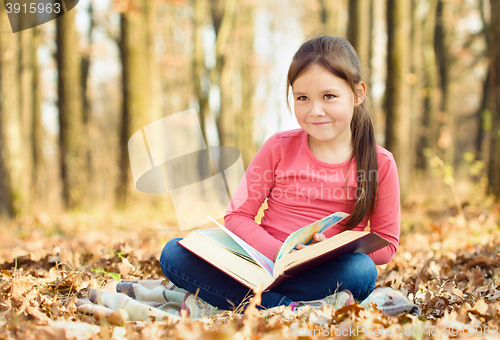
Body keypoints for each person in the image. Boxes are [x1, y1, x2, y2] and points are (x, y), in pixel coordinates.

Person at [159, 36, 400, 314]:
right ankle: (288, 307)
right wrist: (278, 253)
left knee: (362, 270)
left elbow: (387, 244)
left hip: (323, 271)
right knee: (175, 251)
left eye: (329, 96)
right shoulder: (279, 146)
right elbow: (237, 216)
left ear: (358, 94)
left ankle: (254, 302)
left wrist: (331, 249)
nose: (315, 110)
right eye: (302, 98)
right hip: (261, 261)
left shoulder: (380, 162)